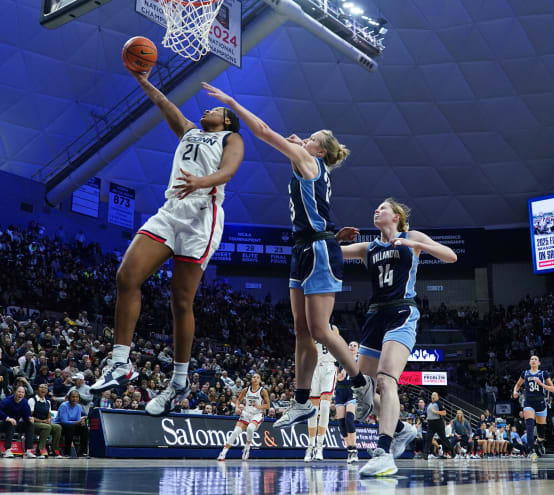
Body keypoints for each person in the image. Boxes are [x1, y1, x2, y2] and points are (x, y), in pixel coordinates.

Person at [201, 82, 373, 428]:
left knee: (321, 331)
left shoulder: (308, 160)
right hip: (303, 247)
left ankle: (360, 383)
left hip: (319, 249)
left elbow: (264, 132)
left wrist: (232, 101)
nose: (303, 139)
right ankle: (300, 402)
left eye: (310, 139)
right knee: (301, 332)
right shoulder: (310, 163)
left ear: (319, 151)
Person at [91, 65, 245, 419]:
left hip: (202, 218)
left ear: (227, 121)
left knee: (180, 302)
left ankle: (179, 380)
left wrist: (202, 182)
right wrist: (144, 81)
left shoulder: (231, 138)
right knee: (126, 277)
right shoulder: (190, 132)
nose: (207, 111)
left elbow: (229, 173)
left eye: (216, 110)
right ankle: (120, 363)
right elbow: (165, 106)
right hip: (171, 211)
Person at [338, 198, 458, 476]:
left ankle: (384, 451)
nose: (376, 210)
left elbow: (450, 256)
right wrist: (336, 238)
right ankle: (402, 429)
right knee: (364, 390)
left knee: (385, 380)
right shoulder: (368, 248)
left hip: (402, 311)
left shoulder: (411, 237)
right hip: (374, 315)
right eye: (376, 208)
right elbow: (329, 251)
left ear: (396, 216)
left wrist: (417, 246)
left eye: (383, 208)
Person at [305, 325, 339, 462]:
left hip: (328, 368)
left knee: (325, 407)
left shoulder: (332, 327)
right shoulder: (309, 328)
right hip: (313, 369)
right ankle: (310, 445)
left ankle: (320, 446)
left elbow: (336, 344)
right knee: (313, 411)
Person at [217, 373, 270, 461]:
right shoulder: (246, 390)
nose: (255, 379)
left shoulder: (263, 391)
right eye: (254, 377)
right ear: (251, 379)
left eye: (257, 378)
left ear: (260, 380)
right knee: (235, 432)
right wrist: (237, 408)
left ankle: (247, 448)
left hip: (257, 414)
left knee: (250, 428)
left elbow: (268, 405)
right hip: (246, 413)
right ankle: (223, 453)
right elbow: (238, 400)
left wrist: (258, 406)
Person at [512, 355, 554, 461]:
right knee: (530, 425)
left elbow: (553, 389)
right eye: (531, 359)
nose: (533, 360)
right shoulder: (525, 373)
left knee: (541, 431)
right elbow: (517, 385)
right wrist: (515, 391)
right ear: (529, 362)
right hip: (528, 402)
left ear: (539, 363)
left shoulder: (543, 373)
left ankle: (539, 442)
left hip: (540, 402)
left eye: (536, 359)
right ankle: (531, 450)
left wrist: (541, 384)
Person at [333, 340, 359, 464]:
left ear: (358, 349)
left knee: (349, 419)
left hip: (352, 389)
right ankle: (349, 450)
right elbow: (335, 371)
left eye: (355, 346)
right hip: (340, 391)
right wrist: (337, 374)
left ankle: (354, 450)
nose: (352, 347)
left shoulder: (360, 360)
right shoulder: (341, 358)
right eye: (350, 345)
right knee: (341, 422)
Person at [0, 386, 37, 458]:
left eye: (22, 392)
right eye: (19, 392)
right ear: (15, 392)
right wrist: (7, 418)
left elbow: (27, 415)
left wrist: (29, 418)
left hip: (16, 424)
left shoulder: (24, 402)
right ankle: (7, 450)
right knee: (11, 423)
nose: (20, 394)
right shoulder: (7, 400)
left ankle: (28, 451)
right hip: (4, 423)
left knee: (30, 425)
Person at [28, 383, 63, 458]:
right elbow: (29, 416)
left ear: (47, 391)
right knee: (47, 427)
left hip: (44, 423)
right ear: (37, 389)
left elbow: (49, 415)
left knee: (57, 427)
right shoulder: (32, 400)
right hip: (33, 424)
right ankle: (39, 450)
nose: (43, 389)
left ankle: (53, 450)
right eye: (41, 387)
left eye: (45, 388)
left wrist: (49, 419)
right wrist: (43, 421)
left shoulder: (48, 402)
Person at [54, 390, 89, 457]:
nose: (74, 399)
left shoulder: (79, 406)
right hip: (61, 425)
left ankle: (82, 452)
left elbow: (78, 420)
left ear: (79, 398)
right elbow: (64, 421)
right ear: (69, 398)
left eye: (76, 397)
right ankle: (67, 452)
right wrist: (77, 422)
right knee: (70, 427)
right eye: (73, 397)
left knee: (84, 428)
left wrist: (81, 422)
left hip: (73, 425)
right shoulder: (64, 405)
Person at [424, 392, 452, 460]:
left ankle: (452, 451)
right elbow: (429, 413)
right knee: (428, 438)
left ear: (437, 397)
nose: (433, 396)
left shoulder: (439, 403)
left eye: (434, 395)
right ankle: (425, 454)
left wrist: (436, 412)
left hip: (438, 423)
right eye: (432, 395)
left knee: (443, 439)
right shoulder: (430, 404)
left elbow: (444, 413)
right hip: (431, 424)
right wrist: (427, 418)